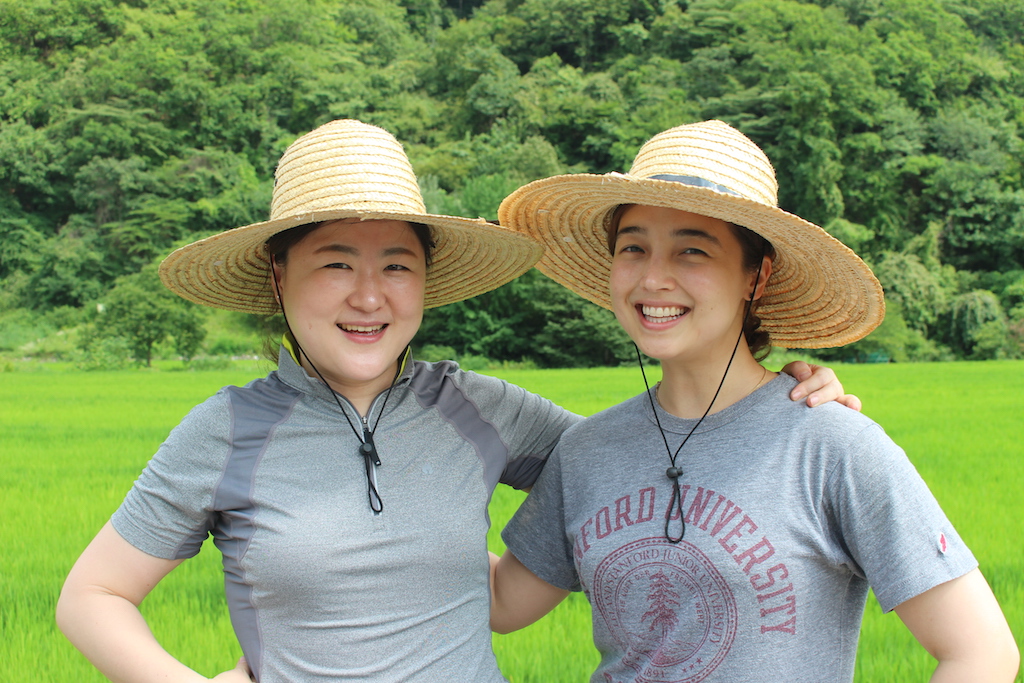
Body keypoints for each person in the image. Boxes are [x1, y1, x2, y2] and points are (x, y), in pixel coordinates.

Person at [56, 119, 855, 683]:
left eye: (397, 266)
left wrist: (780, 400)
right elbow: (91, 597)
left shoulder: (476, 407)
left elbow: (644, 461)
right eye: (336, 263)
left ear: (425, 281)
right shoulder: (226, 432)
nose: (368, 296)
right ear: (278, 275)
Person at [490, 120, 1020, 682]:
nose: (653, 278)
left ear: (755, 276)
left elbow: (982, 653)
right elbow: (503, 604)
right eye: (633, 248)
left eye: (692, 251)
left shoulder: (832, 444)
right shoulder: (588, 451)